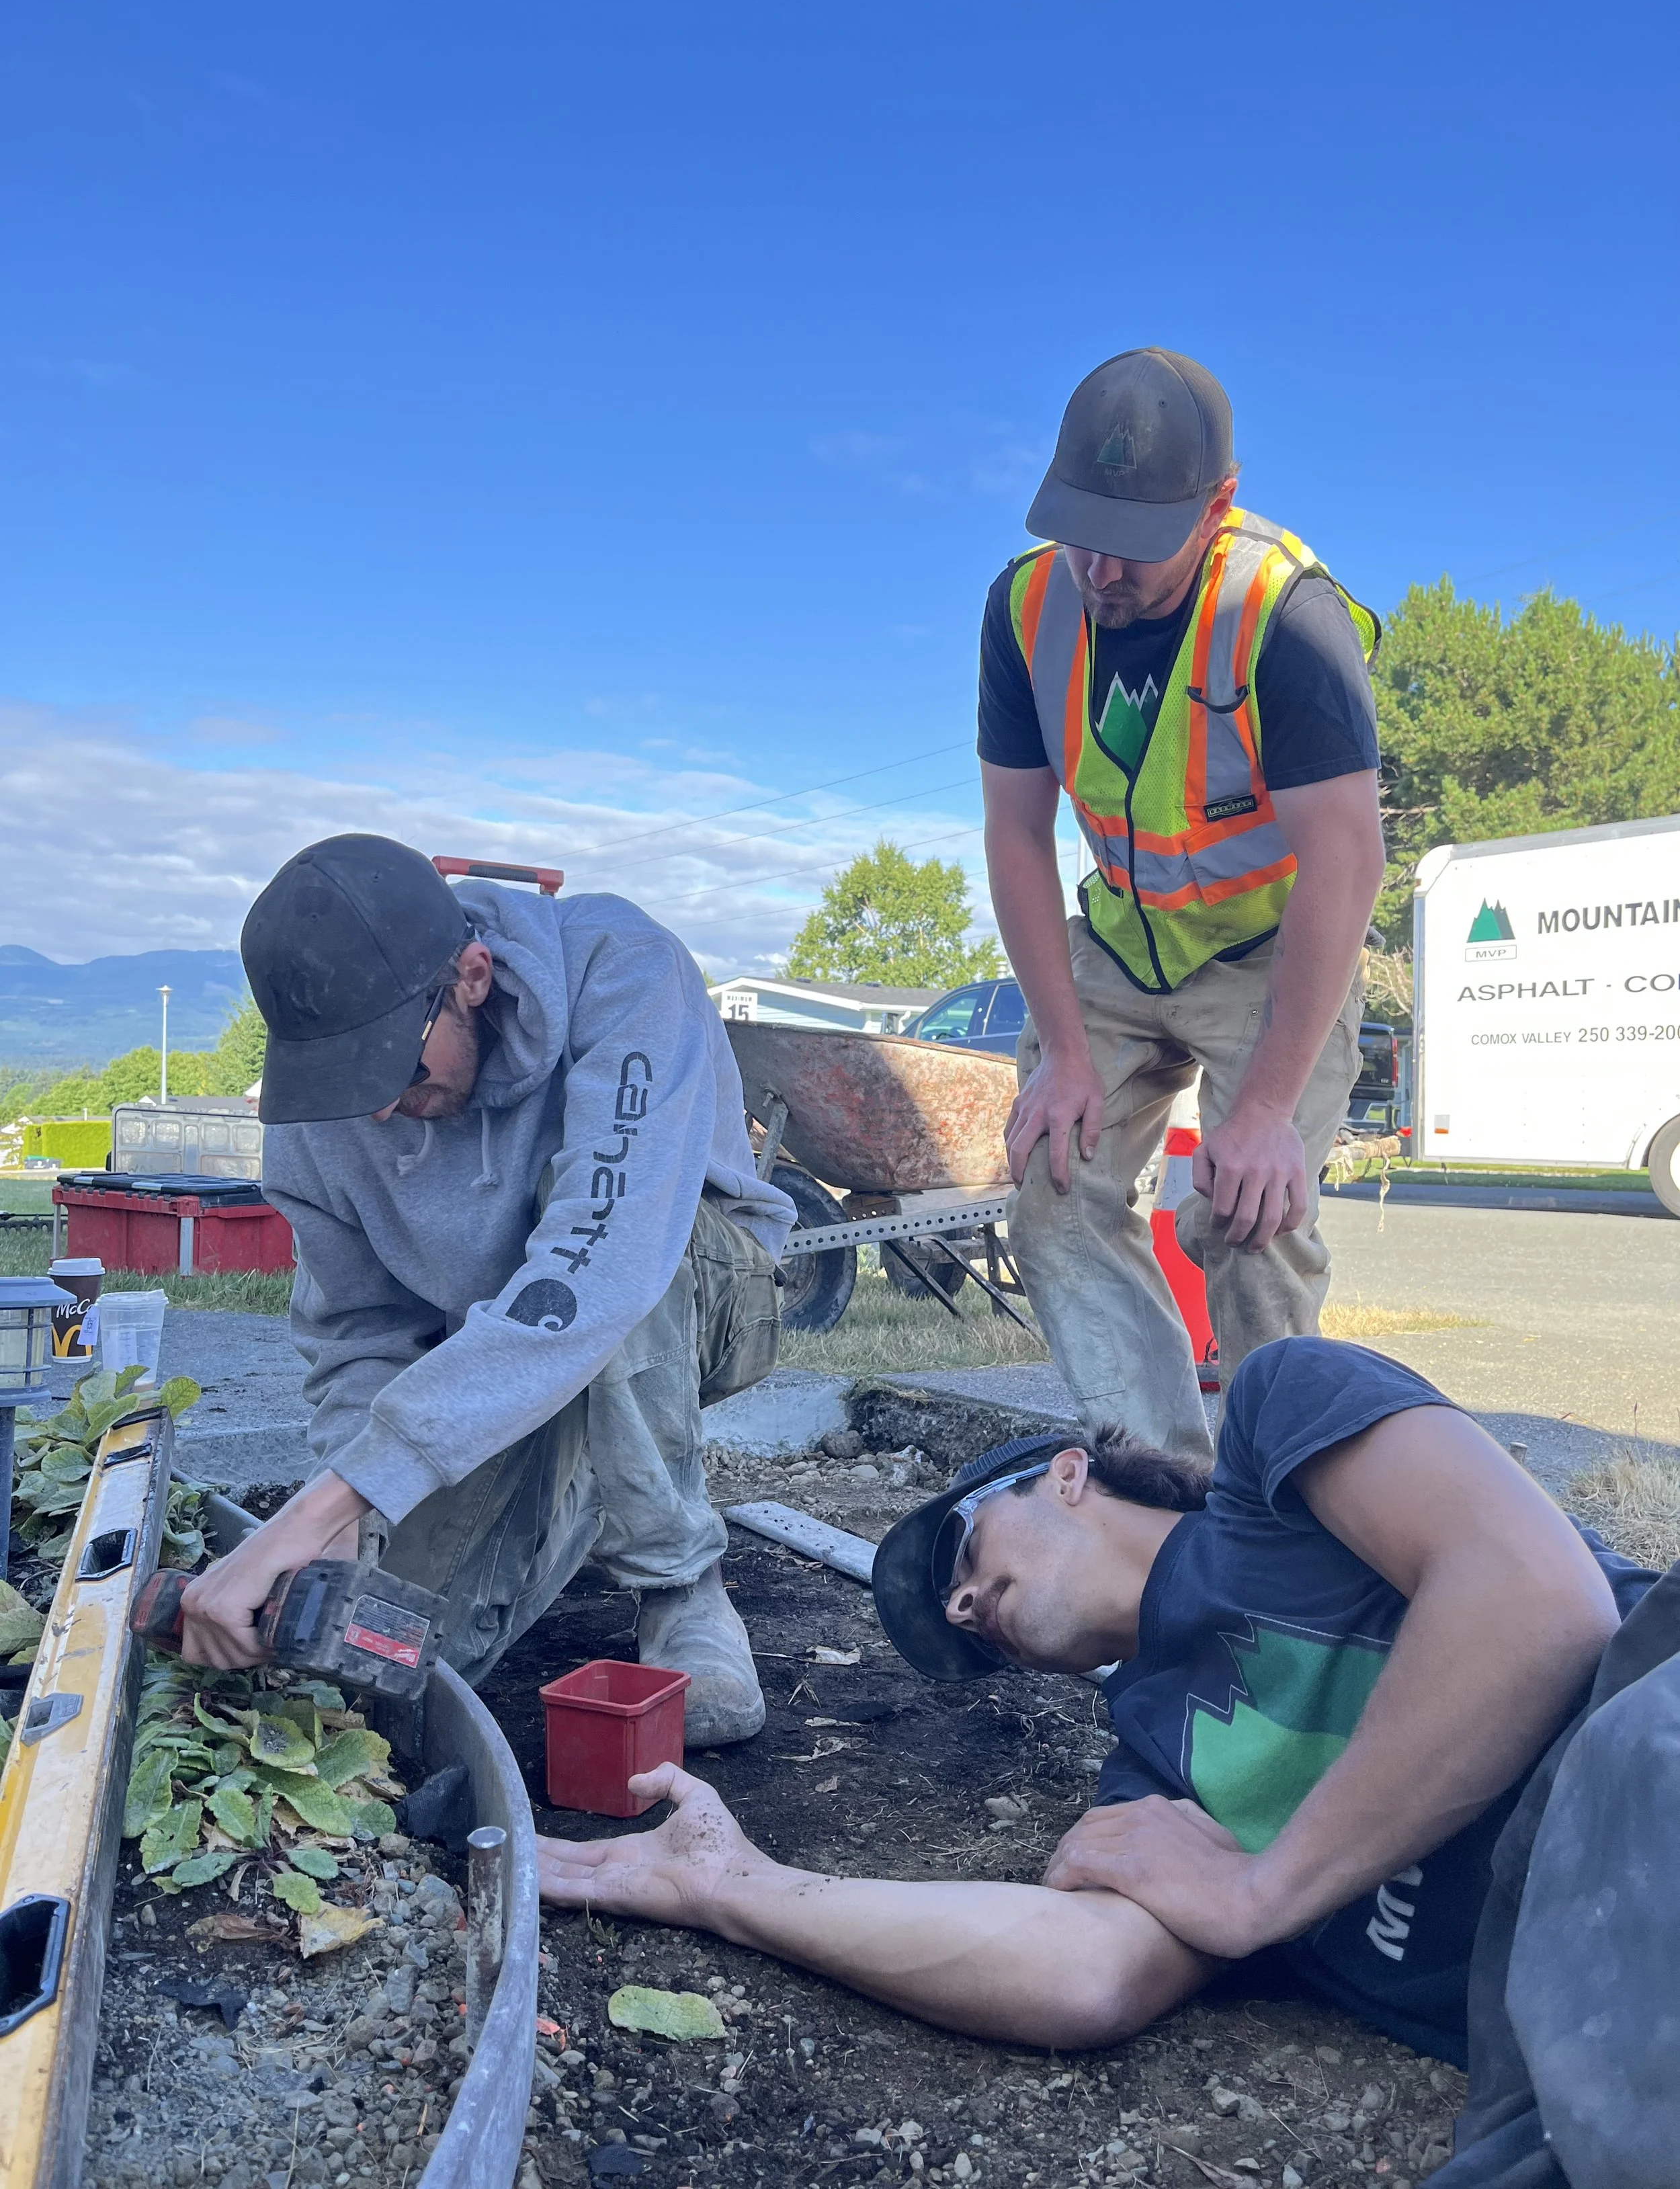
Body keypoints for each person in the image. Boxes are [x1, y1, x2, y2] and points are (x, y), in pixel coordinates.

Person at [536, 1338, 1679, 2186]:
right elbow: (1084, 1973)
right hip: (1574, 2033)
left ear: (1069, 1474)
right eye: (959, 1614)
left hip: (1642, 1750)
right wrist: (729, 1886)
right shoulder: (1148, 1781)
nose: (965, 1599)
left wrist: (1263, 1890)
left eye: (968, 1553)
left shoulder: (1284, 1435)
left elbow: (1541, 1603)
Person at [175, 833, 796, 1745]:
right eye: (347, 1078)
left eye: (392, 1068)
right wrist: (359, 1529)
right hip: (491, 1345)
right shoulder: (324, 1118)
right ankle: (579, 1473)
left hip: (692, 1289)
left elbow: (608, 1264)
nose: (377, 1108)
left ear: (471, 975)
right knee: (387, 1679)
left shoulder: (624, 972)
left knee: (592, 1249)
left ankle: (680, 1586)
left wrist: (325, 1503)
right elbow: (359, 1334)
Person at [979, 347, 1388, 1458]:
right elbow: (1017, 834)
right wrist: (1063, 1049)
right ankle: (1155, 1477)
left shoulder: (1284, 614)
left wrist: (1260, 1112)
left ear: (1218, 505)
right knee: (1056, 1188)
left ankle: (1272, 1502)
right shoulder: (1024, 610)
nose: (1101, 570)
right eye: (1080, 530)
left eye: (1137, 540)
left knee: (1249, 1218)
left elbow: (1347, 862)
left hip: (1268, 954)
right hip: (1116, 944)